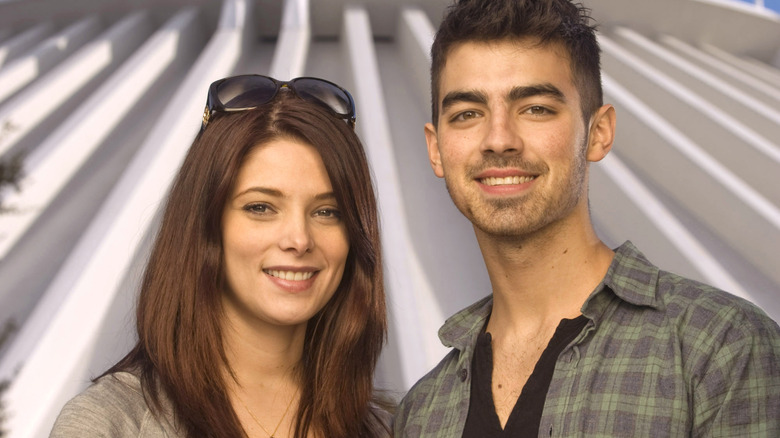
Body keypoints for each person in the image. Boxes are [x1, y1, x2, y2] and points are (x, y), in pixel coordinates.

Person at [393, 0, 780, 436]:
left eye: (535, 107)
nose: (498, 139)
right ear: (436, 148)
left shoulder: (718, 347)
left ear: (599, 133)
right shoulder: (421, 413)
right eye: (467, 114)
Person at [50, 75, 390, 437]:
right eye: (261, 207)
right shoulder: (112, 422)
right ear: (205, 225)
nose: (299, 239)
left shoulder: (390, 428)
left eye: (327, 212)